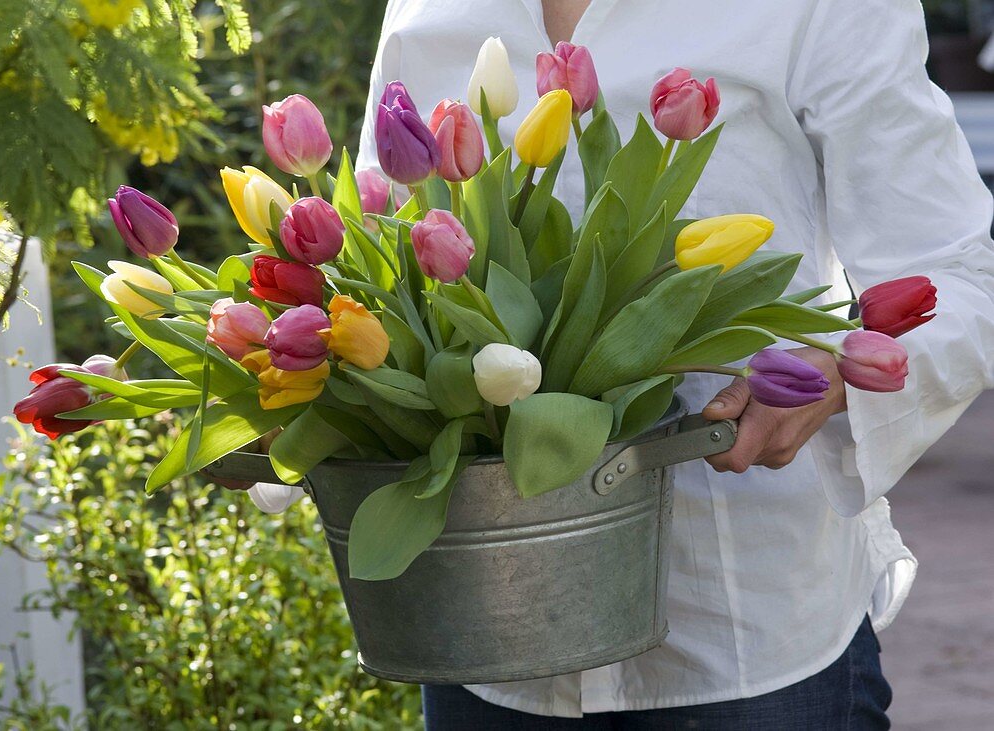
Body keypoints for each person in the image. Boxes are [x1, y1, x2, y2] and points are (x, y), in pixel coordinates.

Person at [351, 0, 994, 728]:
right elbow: (383, 249)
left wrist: (835, 376)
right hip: (480, 631)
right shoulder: (428, 10)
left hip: (741, 640)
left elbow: (956, 272)